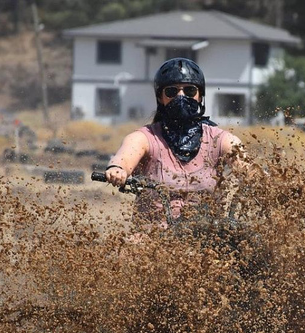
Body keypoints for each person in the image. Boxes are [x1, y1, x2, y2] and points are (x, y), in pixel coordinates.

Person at [104, 58, 245, 223]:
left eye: (190, 90)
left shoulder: (221, 140)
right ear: (160, 98)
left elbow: (247, 168)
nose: (181, 96)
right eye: (172, 91)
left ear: (200, 96)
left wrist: (257, 177)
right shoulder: (145, 137)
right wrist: (117, 169)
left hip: (208, 233)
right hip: (153, 233)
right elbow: (125, 157)